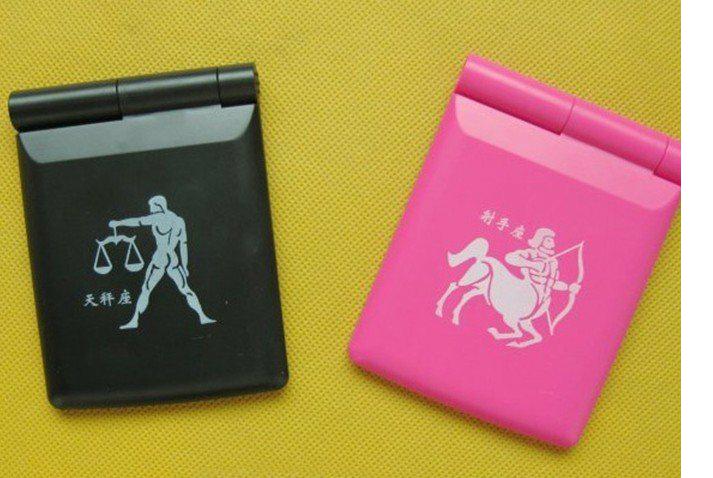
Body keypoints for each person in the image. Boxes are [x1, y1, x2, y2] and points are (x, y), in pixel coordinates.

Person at [109, 195, 215, 329]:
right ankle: (202, 316)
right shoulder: (179, 220)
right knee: (186, 289)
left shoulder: (157, 217)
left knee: (146, 289)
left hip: (159, 258)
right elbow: (183, 245)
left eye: (152, 207)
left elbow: (138, 221)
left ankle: (134, 320)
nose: (150, 210)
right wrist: (185, 266)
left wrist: (118, 223)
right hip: (173, 259)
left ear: (159, 206)